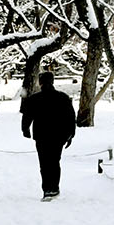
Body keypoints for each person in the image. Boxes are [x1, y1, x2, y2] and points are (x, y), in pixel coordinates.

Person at [21, 68, 77, 198]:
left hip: (41, 135)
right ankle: (54, 187)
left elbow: (27, 116)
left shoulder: (34, 99)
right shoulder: (62, 97)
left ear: (40, 83)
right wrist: (70, 134)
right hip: (59, 135)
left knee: (44, 163)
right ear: (52, 82)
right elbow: (70, 117)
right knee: (55, 161)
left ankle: (47, 188)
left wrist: (25, 130)